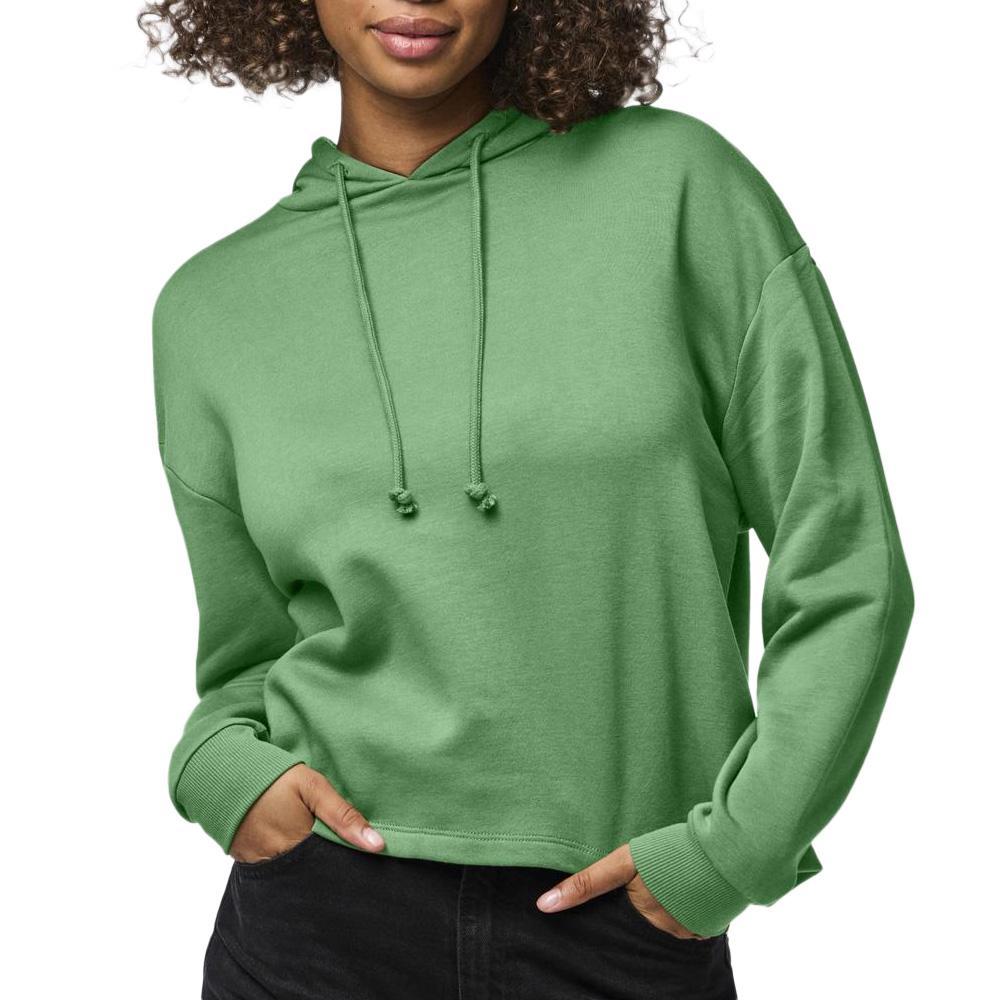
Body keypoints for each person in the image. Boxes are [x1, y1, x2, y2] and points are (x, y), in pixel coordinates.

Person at [140, 2, 915, 997]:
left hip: (620, 926)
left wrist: (732, 852)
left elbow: (847, 561)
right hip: (315, 925)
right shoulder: (212, 309)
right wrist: (222, 773)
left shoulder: (676, 190)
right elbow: (243, 658)